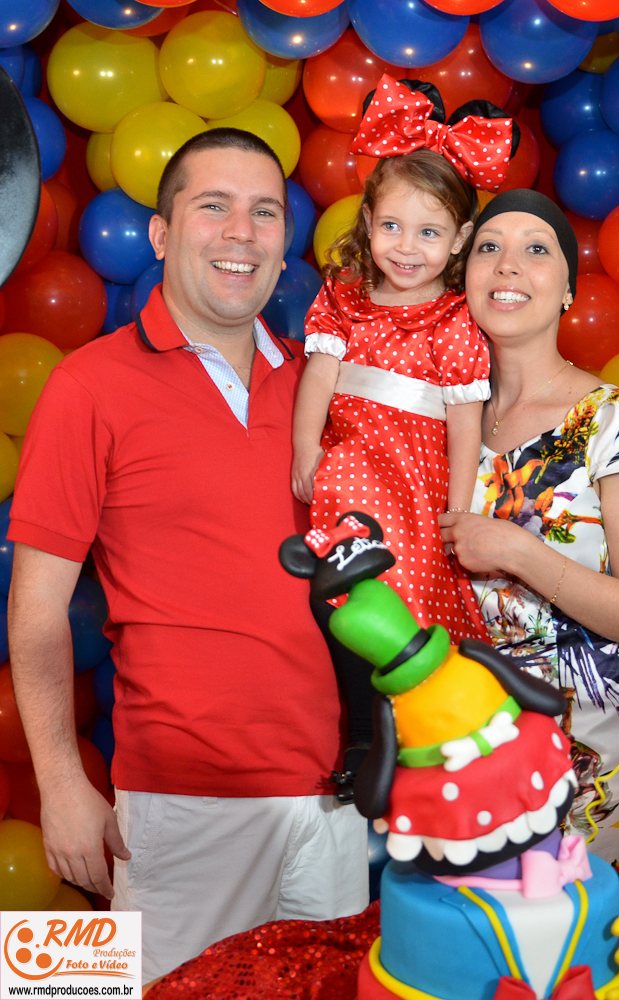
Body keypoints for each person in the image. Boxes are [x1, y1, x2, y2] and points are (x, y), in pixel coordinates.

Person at [7, 128, 368, 983]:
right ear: (162, 234)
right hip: (182, 805)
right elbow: (35, 608)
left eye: (265, 213)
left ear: (285, 242)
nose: (242, 232)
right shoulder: (89, 386)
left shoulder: (325, 387)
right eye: (214, 206)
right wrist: (62, 783)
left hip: (337, 800)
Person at [440, 188, 619, 915]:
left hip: (586, 765)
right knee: (468, 956)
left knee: (589, 959)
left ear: (569, 288)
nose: (508, 265)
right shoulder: (437, 419)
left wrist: (520, 551)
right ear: (463, 277)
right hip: (455, 753)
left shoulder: (617, 420)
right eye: (488, 247)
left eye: (536, 249)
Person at [291, 75, 517, 797]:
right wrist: (305, 449)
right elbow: (319, 377)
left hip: (416, 487)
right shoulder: (345, 297)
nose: (406, 248)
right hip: (350, 473)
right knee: (344, 601)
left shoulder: (454, 320)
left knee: (407, 606)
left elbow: (464, 421)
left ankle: (411, 735)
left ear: (459, 240)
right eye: (391, 227)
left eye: (428, 233)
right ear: (366, 221)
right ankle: (363, 733)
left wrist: (459, 506)